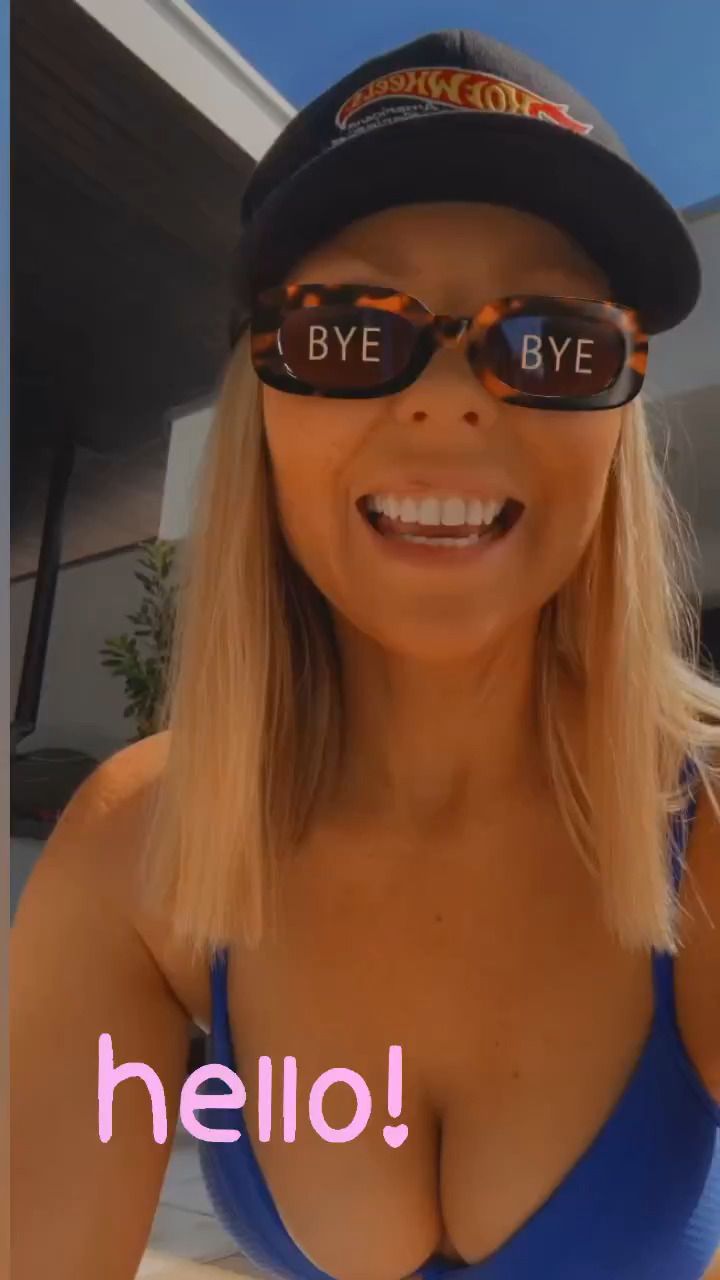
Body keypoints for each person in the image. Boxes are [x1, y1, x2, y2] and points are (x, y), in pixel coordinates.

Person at [11, 28, 720, 1280]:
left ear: (619, 414)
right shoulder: (136, 851)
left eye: (550, 341)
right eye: (348, 331)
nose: (450, 397)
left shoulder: (706, 837)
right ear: (259, 403)